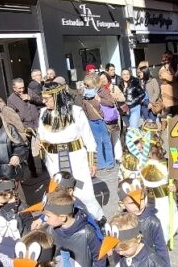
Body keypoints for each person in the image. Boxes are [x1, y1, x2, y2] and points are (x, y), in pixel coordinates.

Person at [37, 81, 105, 222]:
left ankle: (97, 220)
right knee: (59, 192)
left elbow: (89, 138)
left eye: (47, 98)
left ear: (57, 96)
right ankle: (67, 220)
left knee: (82, 190)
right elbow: (41, 137)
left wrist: (92, 162)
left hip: (76, 160)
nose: (43, 101)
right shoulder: (43, 114)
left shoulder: (75, 111)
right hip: (54, 162)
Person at [7, 78, 41, 177]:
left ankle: (45, 165)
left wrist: (31, 98)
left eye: (23, 87)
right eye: (19, 88)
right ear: (14, 88)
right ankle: (33, 171)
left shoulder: (29, 91)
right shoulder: (11, 99)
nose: (22, 90)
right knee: (28, 149)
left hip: (37, 123)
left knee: (43, 145)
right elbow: (11, 116)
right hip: (25, 127)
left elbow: (41, 100)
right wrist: (21, 118)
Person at [80, 74, 115, 170]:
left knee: (106, 141)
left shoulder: (101, 91)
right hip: (92, 121)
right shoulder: (85, 94)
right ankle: (101, 164)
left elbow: (111, 103)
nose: (85, 86)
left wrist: (100, 100)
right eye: (85, 84)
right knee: (97, 142)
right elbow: (83, 108)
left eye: (87, 84)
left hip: (102, 120)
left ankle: (110, 163)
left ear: (93, 83)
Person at [98, 72, 122, 161]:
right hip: (103, 116)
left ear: (108, 78)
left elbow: (122, 98)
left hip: (113, 115)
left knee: (116, 136)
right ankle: (109, 156)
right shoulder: (97, 90)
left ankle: (118, 156)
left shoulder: (113, 87)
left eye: (104, 78)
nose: (103, 80)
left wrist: (114, 97)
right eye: (101, 78)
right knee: (106, 137)